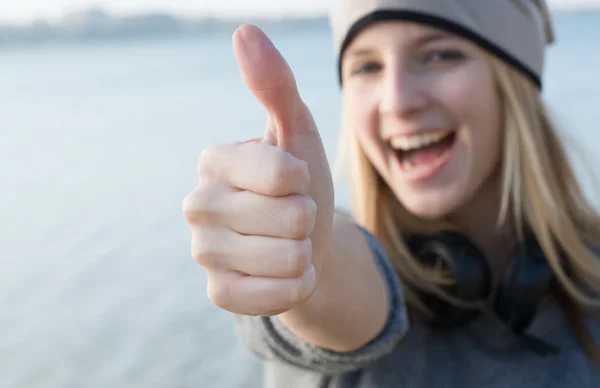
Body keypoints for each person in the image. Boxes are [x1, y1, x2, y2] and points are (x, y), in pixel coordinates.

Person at [182, 0, 600, 386]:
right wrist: (302, 258)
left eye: (439, 54)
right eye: (367, 67)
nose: (397, 101)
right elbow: (339, 294)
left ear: (513, 80)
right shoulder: (346, 268)